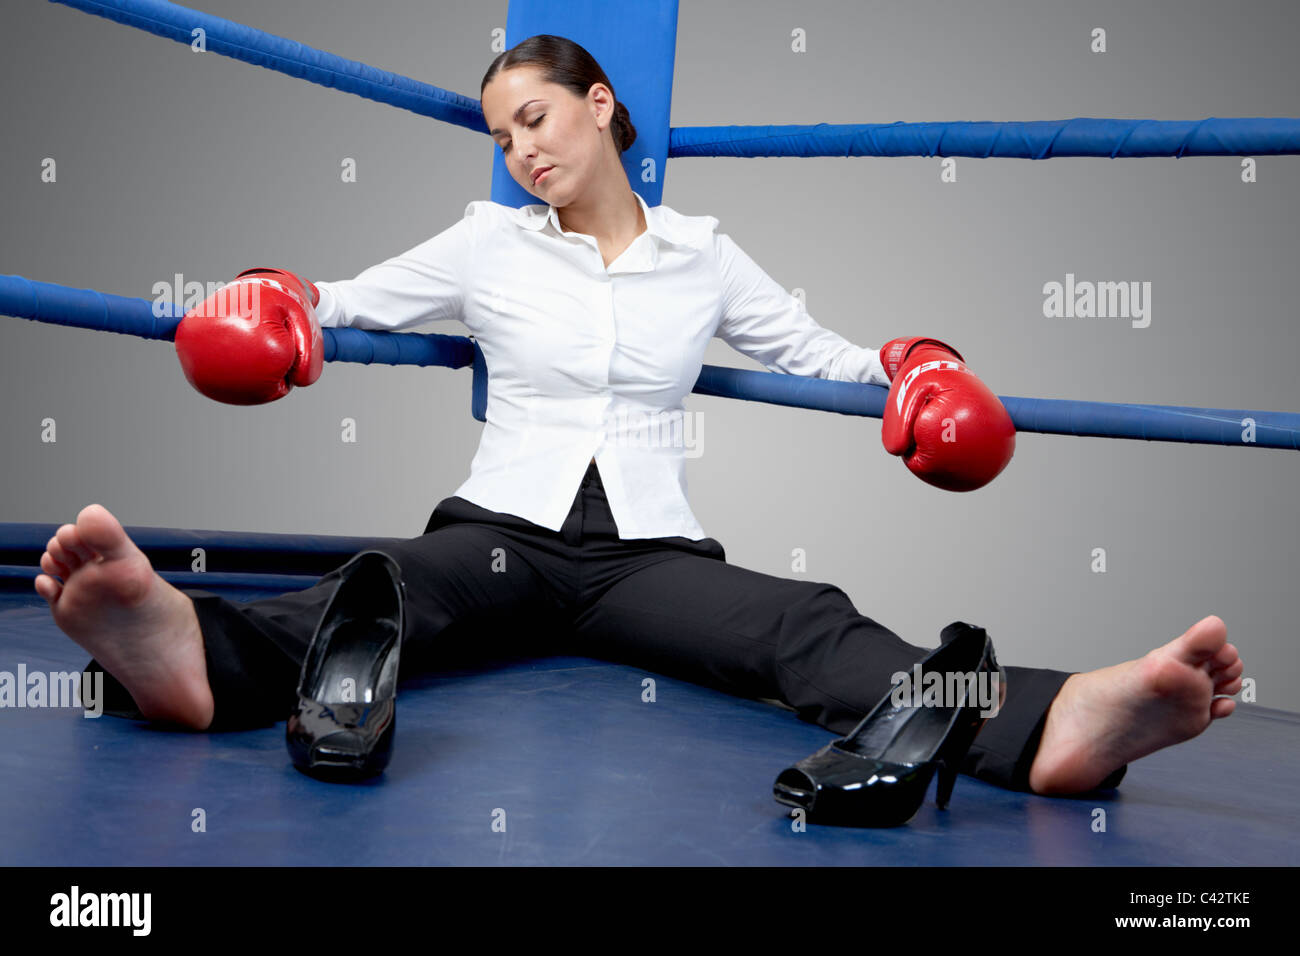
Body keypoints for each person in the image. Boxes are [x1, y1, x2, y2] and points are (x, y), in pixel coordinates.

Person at [34, 35, 1241, 808]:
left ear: (600, 107)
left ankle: (1055, 722)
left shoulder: (704, 257)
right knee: (383, 587)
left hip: (646, 556)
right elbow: (339, 300)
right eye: (503, 134)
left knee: (802, 624)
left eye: (537, 119)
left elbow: (812, 349)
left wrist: (917, 368)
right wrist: (276, 307)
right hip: (500, 534)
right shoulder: (484, 241)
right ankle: (185, 653)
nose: (519, 151)